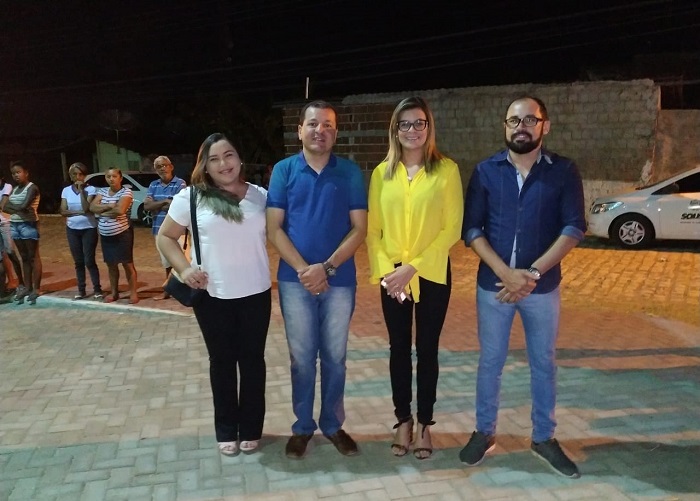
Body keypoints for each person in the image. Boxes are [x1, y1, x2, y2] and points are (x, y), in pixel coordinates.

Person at [460, 96, 586, 478]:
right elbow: (472, 230)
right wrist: (506, 272)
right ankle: (484, 432)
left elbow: (573, 228)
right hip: (493, 287)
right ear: (505, 126)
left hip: (541, 289)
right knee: (490, 362)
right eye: (514, 120)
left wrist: (530, 274)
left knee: (543, 363)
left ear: (545, 125)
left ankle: (544, 437)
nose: (521, 126)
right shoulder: (486, 171)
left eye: (530, 119)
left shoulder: (563, 171)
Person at [157, 133, 271, 457]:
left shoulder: (261, 196)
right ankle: (226, 429)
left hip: (256, 292)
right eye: (215, 159)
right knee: (221, 363)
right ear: (204, 166)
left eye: (229, 155)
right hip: (212, 295)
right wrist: (184, 270)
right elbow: (165, 237)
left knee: (252, 362)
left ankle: (251, 428)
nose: (224, 164)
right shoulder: (191, 197)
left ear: (240, 158)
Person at [267, 100, 368, 460]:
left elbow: (359, 229)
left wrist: (325, 268)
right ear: (300, 131)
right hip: (294, 282)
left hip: (339, 281)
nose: (319, 131)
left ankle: (333, 424)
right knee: (302, 358)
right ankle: (302, 427)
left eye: (327, 125)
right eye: (313, 124)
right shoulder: (284, 171)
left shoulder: (350, 172)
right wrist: (304, 270)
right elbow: (274, 229)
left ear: (335, 133)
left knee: (335, 358)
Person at [366, 96, 463, 460]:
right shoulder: (382, 174)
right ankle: (403, 420)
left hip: (432, 273)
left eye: (419, 123)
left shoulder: (446, 171)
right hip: (392, 278)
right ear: (395, 130)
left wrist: (413, 266)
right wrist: (389, 272)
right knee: (398, 349)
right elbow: (373, 230)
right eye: (404, 124)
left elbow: (452, 228)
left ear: (428, 127)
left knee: (427, 349)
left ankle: (424, 424)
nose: (412, 130)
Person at [90, 168, 139, 304]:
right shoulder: (102, 191)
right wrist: (109, 206)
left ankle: (133, 293)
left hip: (122, 234)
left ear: (120, 178)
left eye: (114, 176)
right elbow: (92, 207)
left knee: (127, 264)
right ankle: (114, 292)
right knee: (111, 265)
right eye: (108, 176)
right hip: (106, 235)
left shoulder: (126, 192)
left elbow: (120, 210)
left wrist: (101, 211)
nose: (111, 179)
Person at [143, 155, 186, 300]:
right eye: (159, 166)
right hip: (159, 229)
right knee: (166, 262)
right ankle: (169, 290)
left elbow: (178, 206)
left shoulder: (180, 183)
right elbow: (147, 206)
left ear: (171, 166)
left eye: (165, 165)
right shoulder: (153, 185)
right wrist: (166, 201)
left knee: (180, 261)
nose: (162, 168)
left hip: (177, 230)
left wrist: (157, 204)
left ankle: (184, 290)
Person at [60, 162, 103, 300]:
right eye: (74, 174)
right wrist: (78, 212)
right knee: (78, 261)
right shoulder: (66, 190)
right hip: (72, 229)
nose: (78, 177)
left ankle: (97, 289)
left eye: (80, 174)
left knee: (89, 260)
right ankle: (81, 290)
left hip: (89, 228)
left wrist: (82, 192)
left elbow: (86, 208)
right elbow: (63, 211)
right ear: (70, 175)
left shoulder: (91, 189)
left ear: (85, 175)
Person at [3, 162, 42, 305]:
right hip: (15, 224)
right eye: (13, 173)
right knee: (24, 257)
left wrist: (16, 208)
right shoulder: (15, 189)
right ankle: (27, 287)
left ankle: (36, 289)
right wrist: (19, 209)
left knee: (33, 257)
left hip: (29, 225)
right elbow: (4, 207)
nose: (16, 175)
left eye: (18, 172)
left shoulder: (32, 188)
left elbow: (24, 205)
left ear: (26, 172)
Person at [0, 175, 22, 299]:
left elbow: (2, 205)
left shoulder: (7, 187)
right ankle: (10, 281)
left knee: (10, 252)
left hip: (5, 223)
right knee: (2, 256)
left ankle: (20, 281)